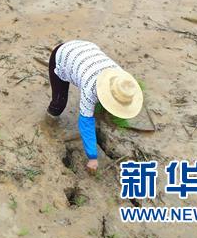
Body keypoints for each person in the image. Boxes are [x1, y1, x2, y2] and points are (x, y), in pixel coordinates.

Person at [46, 40, 143, 174]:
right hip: (64, 56)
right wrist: (92, 157)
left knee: (94, 107)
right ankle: (48, 122)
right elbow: (85, 122)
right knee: (59, 103)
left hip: (87, 49)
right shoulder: (91, 88)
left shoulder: (121, 79)